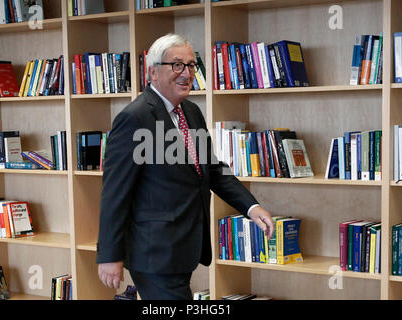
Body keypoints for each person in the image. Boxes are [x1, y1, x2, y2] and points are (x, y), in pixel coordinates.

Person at [97, 33, 274, 300]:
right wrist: (110, 255)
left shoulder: (191, 111)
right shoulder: (134, 118)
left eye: (191, 65)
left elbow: (211, 169)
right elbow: (114, 193)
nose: (187, 73)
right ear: (153, 72)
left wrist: (251, 206)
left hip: (183, 247)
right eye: (177, 65)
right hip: (153, 254)